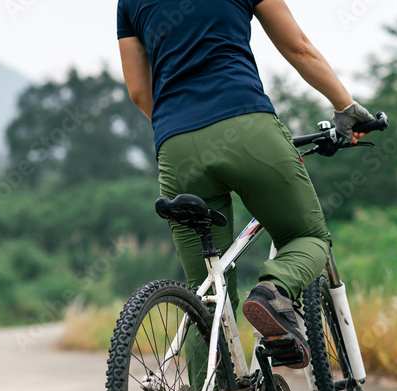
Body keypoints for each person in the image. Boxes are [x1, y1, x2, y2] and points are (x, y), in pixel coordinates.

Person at [117, 0, 375, 369]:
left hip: (175, 148)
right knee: (308, 236)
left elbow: (140, 92)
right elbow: (297, 47)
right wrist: (344, 106)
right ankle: (274, 291)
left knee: (206, 298)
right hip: (247, 125)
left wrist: (180, 128)